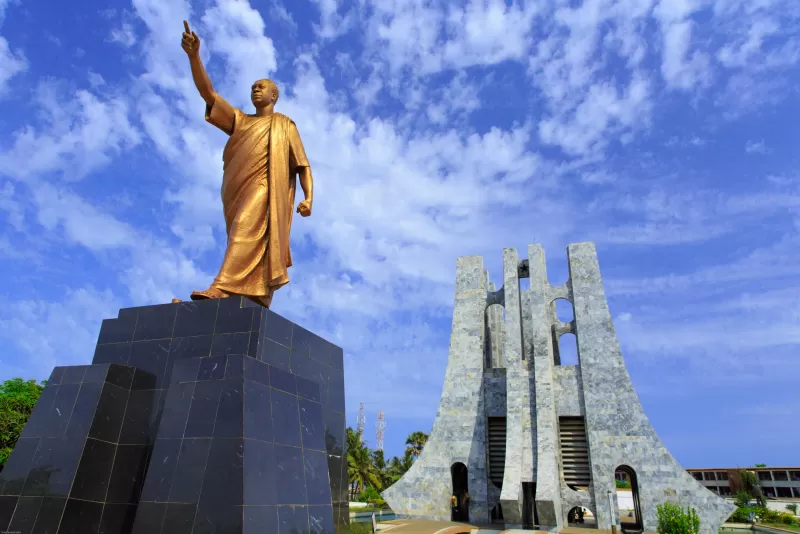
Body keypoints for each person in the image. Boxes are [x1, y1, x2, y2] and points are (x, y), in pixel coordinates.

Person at [180, 21, 314, 308]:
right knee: (240, 232)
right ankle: (255, 293)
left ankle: (221, 287)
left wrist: (309, 198)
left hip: (268, 188)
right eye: (253, 86)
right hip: (237, 190)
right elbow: (209, 95)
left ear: (273, 95)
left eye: (261, 87)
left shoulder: (283, 125)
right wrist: (194, 58)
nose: (255, 90)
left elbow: (302, 165)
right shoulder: (241, 121)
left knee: (244, 227)